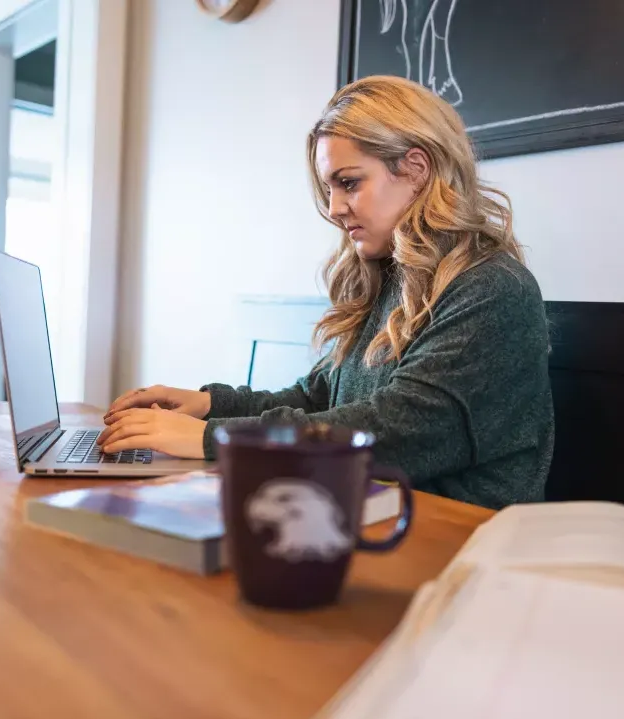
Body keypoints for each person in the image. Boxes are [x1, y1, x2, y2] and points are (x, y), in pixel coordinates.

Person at [98, 75, 554, 509]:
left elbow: (397, 432)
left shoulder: (494, 290)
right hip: (366, 514)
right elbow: (319, 399)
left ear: (416, 169)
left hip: (451, 543)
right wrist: (209, 405)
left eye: (349, 182)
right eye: (329, 188)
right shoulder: (390, 281)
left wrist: (209, 437)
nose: (334, 208)